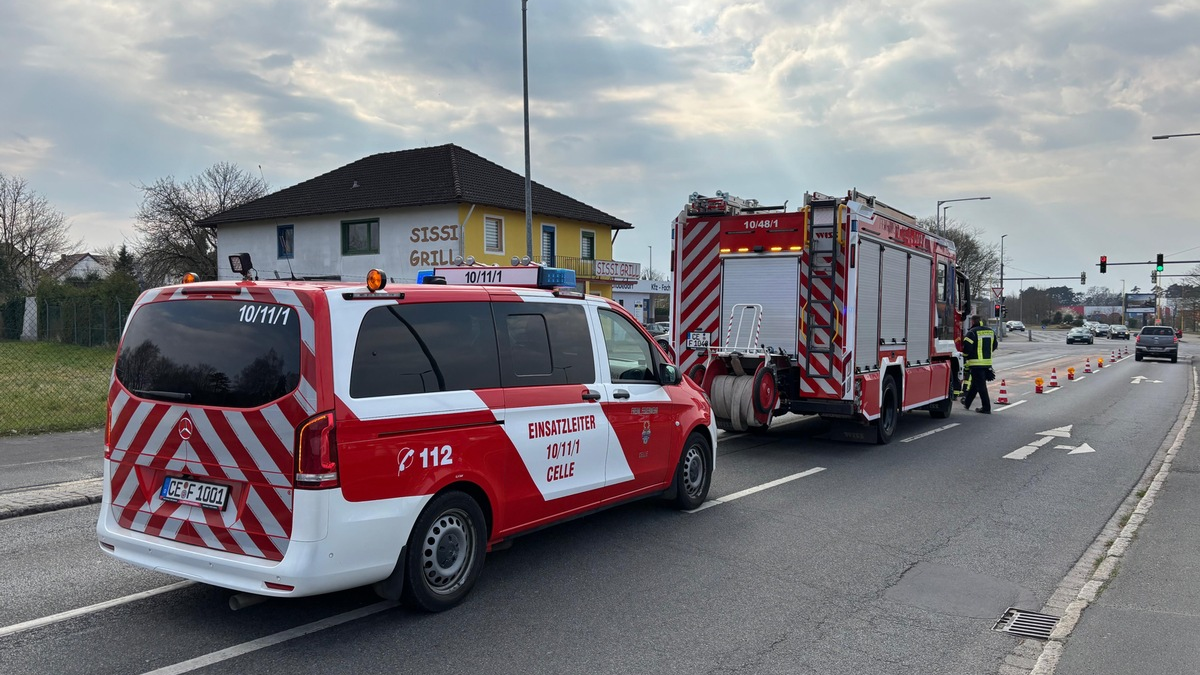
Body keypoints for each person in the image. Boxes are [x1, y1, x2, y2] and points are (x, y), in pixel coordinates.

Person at [961, 315, 997, 414]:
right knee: (975, 385)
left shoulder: (971, 333)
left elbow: (966, 348)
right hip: (987, 363)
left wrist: (964, 357)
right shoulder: (990, 331)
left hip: (975, 364)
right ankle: (967, 403)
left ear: (972, 322)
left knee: (981, 386)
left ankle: (986, 408)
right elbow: (994, 346)